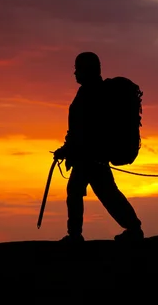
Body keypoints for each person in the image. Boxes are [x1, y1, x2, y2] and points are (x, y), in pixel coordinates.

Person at [53, 52, 144, 243]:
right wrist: (67, 149)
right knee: (104, 193)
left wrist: (69, 149)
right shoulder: (89, 93)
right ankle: (133, 228)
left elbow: (85, 131)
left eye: (78, 69)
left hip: (91, 157)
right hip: (91, 156)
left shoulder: (93, 95)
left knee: (86, 191)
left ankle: (76, 235)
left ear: (87, 70)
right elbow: (77, 130)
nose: (75, 73)